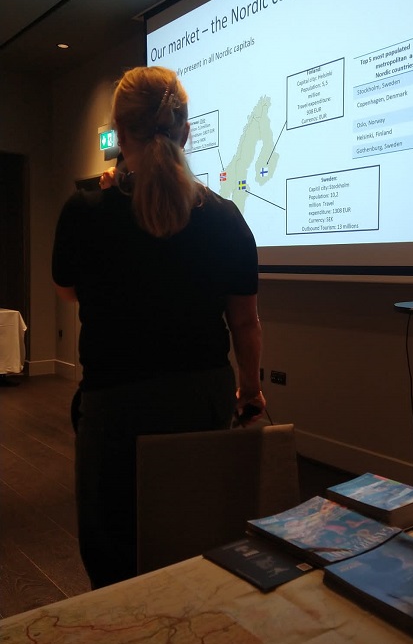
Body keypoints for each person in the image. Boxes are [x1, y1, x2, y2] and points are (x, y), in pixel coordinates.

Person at [52, 65, 265, 588]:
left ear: (119, 136)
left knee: (113, 558)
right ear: (186, 133)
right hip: (202, 400)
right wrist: (250, 391)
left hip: (115, 407)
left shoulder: (84, 212)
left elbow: (70, 291)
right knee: (197, 539)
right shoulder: (226, 218)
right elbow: (245, 322)